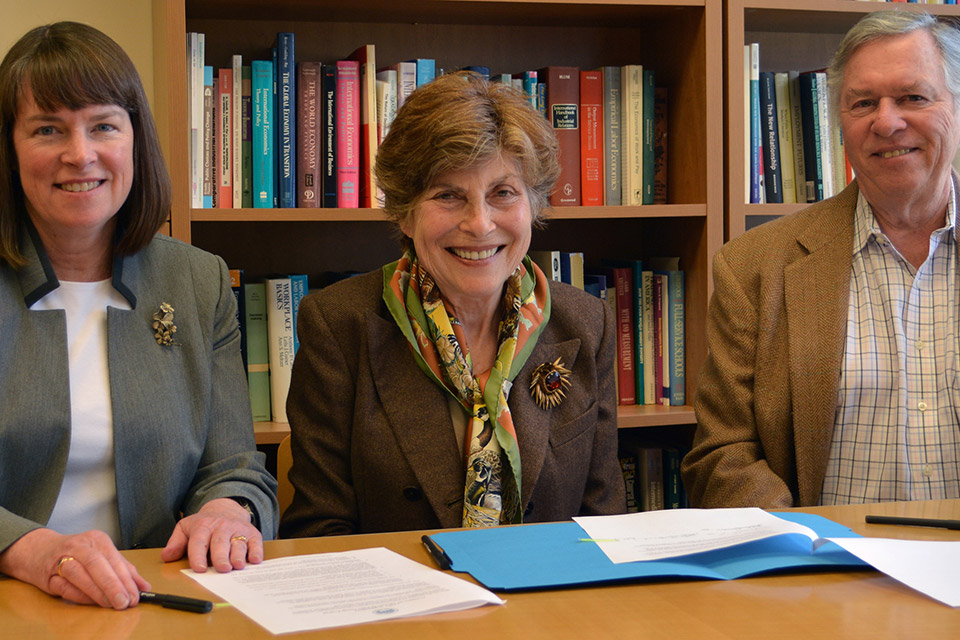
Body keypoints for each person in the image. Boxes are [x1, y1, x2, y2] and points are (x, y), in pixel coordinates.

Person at [0, 22, 278, 609]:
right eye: (47, 129)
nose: (81, 154)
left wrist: (228, 511)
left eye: (103, 125)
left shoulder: (198, 280)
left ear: (135, 139)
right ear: (9, 149)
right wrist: (29, 549)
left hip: (150, 601)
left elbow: (234, 464)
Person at [280, 71, 625, 537]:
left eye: (503, 193)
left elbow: (606, 524)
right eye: (448, 195)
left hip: (550, 602)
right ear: (404, 211)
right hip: (404, 604)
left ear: (534, 204)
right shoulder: (339, 326)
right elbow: (319, 532)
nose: (480, 225)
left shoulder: (586, 324)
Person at [682, 10, 960, 508]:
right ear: (840, 123)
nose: (887, 121)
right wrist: (805, 551)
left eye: (913, 97)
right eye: (863, 103)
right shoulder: (753, 268)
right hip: (827, 573)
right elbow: (723, 454)